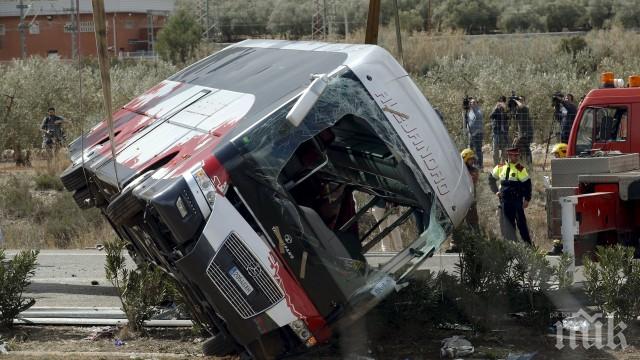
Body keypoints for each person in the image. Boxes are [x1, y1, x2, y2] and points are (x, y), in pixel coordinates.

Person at [488, 147, 532, 245]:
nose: (516, 157)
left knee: (521, 224)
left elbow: (527, 185)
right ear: (508, 155)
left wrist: (527, 199)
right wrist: (496, 191)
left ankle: (529, 247)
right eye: (513, 155)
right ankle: (512, 247)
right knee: (508, 224)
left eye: (517, 155)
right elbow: (491, 179)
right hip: (504, 200)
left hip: (516, 200)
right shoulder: (500, 167)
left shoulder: (520, 168)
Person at [447, 148, 480, 253]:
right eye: (470, 159)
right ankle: (455, 245)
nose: (472, 161)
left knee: (473, 224)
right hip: (459, 201)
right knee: (457, 224)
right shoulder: (456, 170)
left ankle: (477, 245)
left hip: (470, 201)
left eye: (472, 159)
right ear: (465, 159)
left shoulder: (474, 171)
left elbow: (471, 180)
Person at [509, 95, 533, 166]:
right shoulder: (518, 110)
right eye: (519, 100)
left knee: (520, 148)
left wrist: (515, 100)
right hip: (522, 133)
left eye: (521, 100)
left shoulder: (525, 108)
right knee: (523, 149)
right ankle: (525, 165)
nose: (520, 101)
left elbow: (521, 106)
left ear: (524, 101)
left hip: (527, 133)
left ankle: (525, 165)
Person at [464, 98, 484, 170]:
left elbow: (478, 123)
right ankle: (472, 165)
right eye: (471, 103)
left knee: (478, 150)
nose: (472, 104)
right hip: (471, 134)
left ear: (476, 104)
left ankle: (480, 166)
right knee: (471, 150)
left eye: (473, 102)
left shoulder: (478, 111)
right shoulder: (470, 112)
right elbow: (468, 121)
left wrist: (473, 133)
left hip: (477, 134)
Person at [490, 96, 509, 166]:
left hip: (504, 133)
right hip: (496, 133)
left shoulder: (505, 110)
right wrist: (496, 108)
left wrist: (505, 109)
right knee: (495, 150)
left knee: (504, 150)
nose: (501, 103)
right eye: (500, 101)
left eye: (503, 101)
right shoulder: (496, 110)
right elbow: (491, 116)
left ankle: (504, 165)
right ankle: (496, 166)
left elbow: (509, 117)